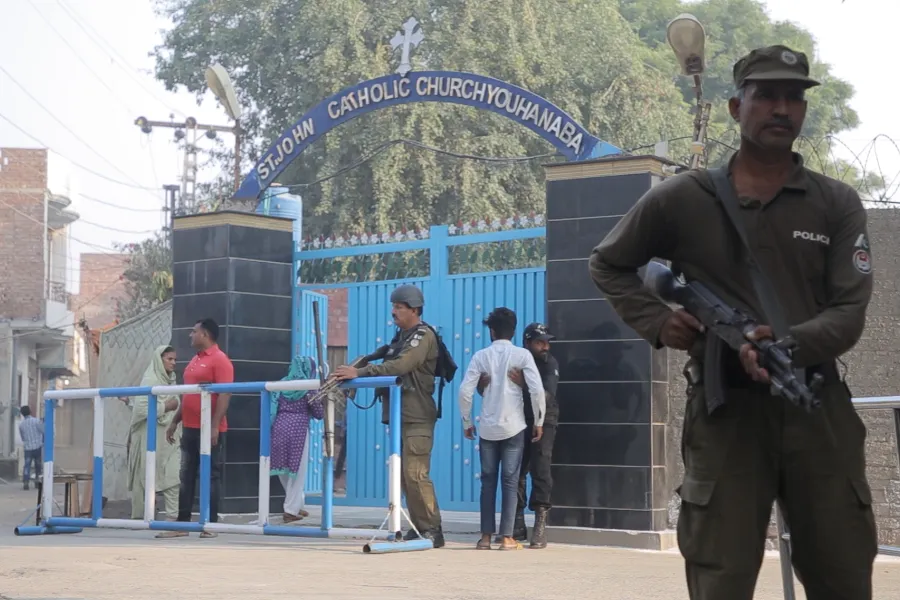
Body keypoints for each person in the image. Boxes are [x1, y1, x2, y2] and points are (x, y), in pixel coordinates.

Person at [589, 45, 877, 599]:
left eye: (794, 98)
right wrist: (658, 320)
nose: (781, 109)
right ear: (733, 106)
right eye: (765, 95)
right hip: (726, 415)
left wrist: (788, 346)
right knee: (720, 577)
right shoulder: (683, 199)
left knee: (843, 573)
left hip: (817, 410)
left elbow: (849, 311)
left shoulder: (834, 203)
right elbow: (607, 262)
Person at [333, 284, 445, 548]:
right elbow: (383, 359)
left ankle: (433, 530)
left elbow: (402, 365)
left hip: (417, 415)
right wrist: (354, 368)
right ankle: (418, 528)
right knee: (404, 477)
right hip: (399, 416)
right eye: (393, 306)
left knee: (415, 474)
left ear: (414, 310)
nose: (393, 311)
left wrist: (359, 374)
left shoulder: (422, 336)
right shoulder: (399, 338)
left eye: (399, 307)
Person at [458, 307, 546, 551]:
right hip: (514, 426)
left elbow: (465, 391)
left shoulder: (480, 356)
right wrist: (539, 420)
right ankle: (506, 538)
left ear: (492, 331)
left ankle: (485, 537)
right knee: (510, 480)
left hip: (487, 428)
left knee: (487, 482)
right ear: (514, 331)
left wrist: (467, 421)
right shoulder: (522, 356)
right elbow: (537, 390)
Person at [480, 322, 559, 548]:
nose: (545, 347)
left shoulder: (549, 364)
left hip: (544, 420)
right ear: (527, 343)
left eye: (547, 343)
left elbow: (547, 395)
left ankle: (540, 524)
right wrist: (482, 386)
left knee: (541, 468)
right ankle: (516, 523)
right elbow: (492, 389)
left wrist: (524, 384)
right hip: (517, 421)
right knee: (515, 471)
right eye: (539, 342)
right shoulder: (517, 359)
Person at [160, 318, 234, 539]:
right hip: (190, 427)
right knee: (186, 474)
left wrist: (213, 426)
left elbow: (225, 394)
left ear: (205, 335)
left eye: (194, 332)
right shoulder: (194, 360)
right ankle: (182, 524)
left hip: (210, 428)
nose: (190, 335)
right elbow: (189, 394)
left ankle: (210, 524)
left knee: (210, 476)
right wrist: (175, 420)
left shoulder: (220, 361)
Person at [126, 345, 181, 526]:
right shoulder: (150, 379)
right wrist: (167, 407)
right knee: (145, 478)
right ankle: (142, 520)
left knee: (172, 477)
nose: (173, 363)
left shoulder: (171, 381)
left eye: (175, 359)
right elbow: (142, 409)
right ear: (159, 359)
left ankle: (172, 520)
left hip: (168, 439)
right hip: (149, 439)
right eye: (169, 359)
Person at [270, 355, 324, 522]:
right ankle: (290, 511)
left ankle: (297, 505)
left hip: (278, 427)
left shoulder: (282, 384)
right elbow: (319, 413)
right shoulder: (308, 386)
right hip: (298, 430)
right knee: (297, 471)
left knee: (283, 469)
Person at [18, 406, 44, 490]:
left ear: (22, 414)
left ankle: (26, 482)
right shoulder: (36, 421)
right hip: (37, 446)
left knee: (27, 465)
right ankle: (37, 482)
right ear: (30, 411)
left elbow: (22, 437)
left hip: (28, 448)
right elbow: (42, 431)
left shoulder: (21, 425)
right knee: (38, 465)